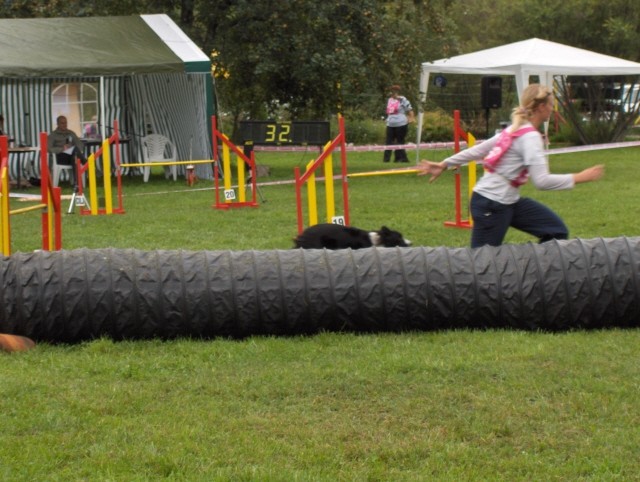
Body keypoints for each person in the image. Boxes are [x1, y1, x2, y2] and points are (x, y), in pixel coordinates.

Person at [416, 83, 604, 249]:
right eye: (550, 104)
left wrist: (444, 163)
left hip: (506, 201)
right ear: (540, 107)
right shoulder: (528, 136)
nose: (552, 109)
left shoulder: (517, 129)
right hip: (492, 204)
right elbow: (542, 181)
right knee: (482, 265)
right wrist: (580, 177)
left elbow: (478, 150)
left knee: (555, 230)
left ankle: (533, 274)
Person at [48, 115, 87, 186]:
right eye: (62, 123)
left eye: (65, 123)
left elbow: (80, 144)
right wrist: (62, 148)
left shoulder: (70, 133)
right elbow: (49, 148)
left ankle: (76, 184)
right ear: (58, 124)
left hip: (71, 156)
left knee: (75, 157)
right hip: (59, 157)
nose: (64, 125)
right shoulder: (53, 135)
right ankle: (85, 162)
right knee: (75, 152)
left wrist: (73, 148)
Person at [383, 84, 415, 163]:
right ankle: (386, 160)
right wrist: (387, 119)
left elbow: (409, 109)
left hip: (401, 123)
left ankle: (400, 158)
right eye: (392, 91)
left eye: (395, 91)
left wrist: (411, 118)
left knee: (399, 141)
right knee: (388, 141)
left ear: (398, 92)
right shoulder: (389, 100)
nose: (393, 93)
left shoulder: (402, 99)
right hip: (390, 124)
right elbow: (389, 111)